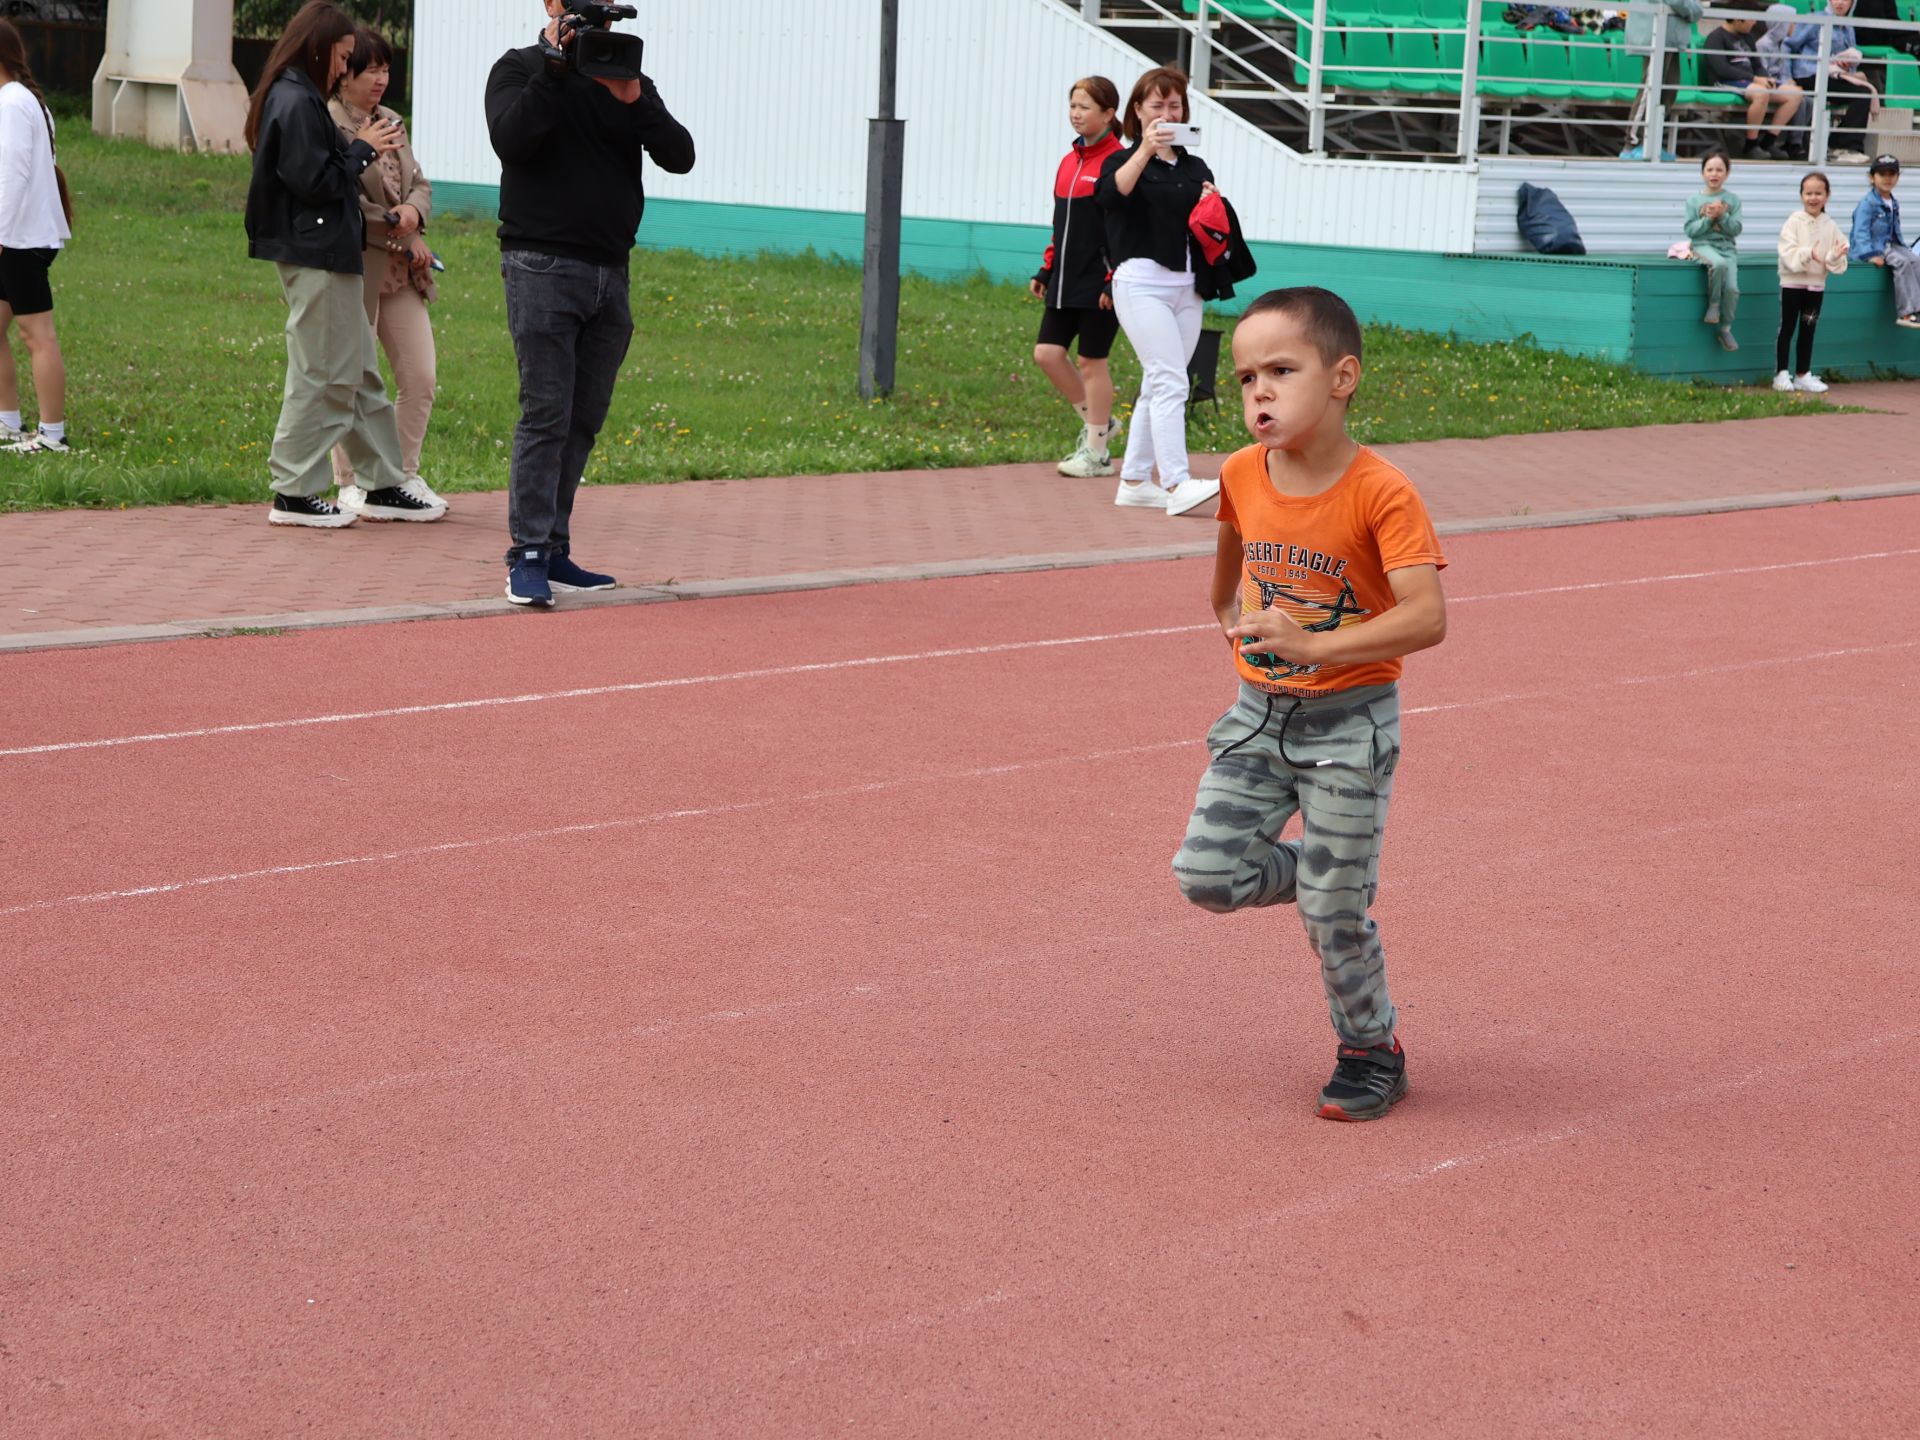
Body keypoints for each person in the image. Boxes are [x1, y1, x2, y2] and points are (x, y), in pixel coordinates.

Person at [1169, 286, 1447, 1123]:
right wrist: (1225, 615)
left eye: (1281, 371)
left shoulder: (1381, 491)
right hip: (1258, 715)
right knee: (1206, 878)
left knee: (1333, 912)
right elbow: (1232, 549)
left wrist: (1314, 646)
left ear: (1341, 377)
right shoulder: (1242, 472)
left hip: (1350, 724)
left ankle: (1372, 1050)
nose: (1259, 391)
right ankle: (1333, 877)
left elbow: (1426, 617)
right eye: (1248, 375)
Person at [485, 0, 695, 608]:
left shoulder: (624, 78)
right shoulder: (518, 67)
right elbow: (512, 140)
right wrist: (554, 67)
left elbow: (679, 155)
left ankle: (553, 547)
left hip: (612, 272)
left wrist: (636, 100)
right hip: (541, 265)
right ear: (551, 5)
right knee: (545, 412)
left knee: (583, 417)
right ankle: (525, 554)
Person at [245, 0, 417, 528]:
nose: (345, 67)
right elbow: (315, 183)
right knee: (322, 373)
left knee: (355, 371)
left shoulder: (297, 97)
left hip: (327, 251)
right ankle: (293, 491)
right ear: (320, 48)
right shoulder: (295, 101)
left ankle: (384, 481)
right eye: (344, 56)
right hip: (314, 252)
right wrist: (362, 149)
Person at [328, 26, 447, 519]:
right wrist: (403, 231)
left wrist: (416, 214)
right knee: (352, 377)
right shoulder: (330, 123)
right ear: (343, 74)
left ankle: (399, 474)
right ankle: (351, 481)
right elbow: (344, 200)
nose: (380, 80)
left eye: (385, 70)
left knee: (420, 375)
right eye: (370, 70)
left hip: (402, 269)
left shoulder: (393, 120)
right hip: (358, 265)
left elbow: (417, 182)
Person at [1095, 66, 1222, 519]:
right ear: (1137, 111)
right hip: (1140, 284)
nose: (1168, 113)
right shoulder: (1121, 160)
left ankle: (1134, 480)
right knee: (1171, 380)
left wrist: (1212, 199)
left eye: (1175, 105)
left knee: (1158, 382)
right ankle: (1176, 482)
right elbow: (1111, 196)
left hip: (1188, 286)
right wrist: (1146, 149)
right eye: (1157, 106)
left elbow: (1207, 221)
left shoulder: (1194, 165)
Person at [1030, 76, 1124, 480]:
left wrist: (1113, 278)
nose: (1076, 114)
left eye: (1085, 107)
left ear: (1109, 113)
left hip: (1102, 281)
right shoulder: (1069, 161)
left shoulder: (1119, 162)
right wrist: (1047, 268)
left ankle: (1097, 453)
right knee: (1047, 354)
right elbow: (1061, 225)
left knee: (1091, 361)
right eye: (1072, 105)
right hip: (1066, 279)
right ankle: (1099, 423)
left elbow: (1124, 230)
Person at [0, 19, 72, 455]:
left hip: (19, 239)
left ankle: (52, 435)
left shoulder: (11, 102)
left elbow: (12, 175)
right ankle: (8, 423)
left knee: (36, 335)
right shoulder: (20, 100)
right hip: (17, 235)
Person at [1774, 171, 1850, 391]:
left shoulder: (1830, 225)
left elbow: (1834, 257)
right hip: (1792, 285)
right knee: (1787, 327)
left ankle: (1802, 374)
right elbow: (1787, 252)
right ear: (1801, 195)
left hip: (1816, 287)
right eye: (1808, 193)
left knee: (1808, 327)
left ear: (1827, 196)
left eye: (1818, 193)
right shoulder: (1793, 221)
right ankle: (1781, 374)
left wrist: (1836, 255)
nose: (1813, 198)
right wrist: (1808, 253)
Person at [1785, 0, 1876, 165]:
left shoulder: (1847, 26)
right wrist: (1787, 77)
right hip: (1808, 73)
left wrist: (1848, 65)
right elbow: (1788, 46)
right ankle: (1842, 145)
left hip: (1833, 75)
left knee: (1864, 91)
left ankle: (1841, 144)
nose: (1840, 3)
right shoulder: (1814, 19)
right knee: (1861, 95)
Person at [1702, 13, 1803, 159]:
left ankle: (1768, 142)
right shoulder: (1715, 38)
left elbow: (1757, 65)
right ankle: (1751, 144)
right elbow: (1721, 69)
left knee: (1795, 94)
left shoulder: (1748, 37)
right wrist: (1755, 79)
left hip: (1751, 82)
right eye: (1751, 19)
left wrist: (1765, 78)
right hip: (1725, 81)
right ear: (1737, 18)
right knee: (1761, 93)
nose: (1754, 23)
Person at [1622, 0, 1701, 160]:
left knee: (1668, 92)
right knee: (1648, 91)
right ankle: (1631, 144)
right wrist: (1695, 10)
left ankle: (1652, 142)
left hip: (1671, 37)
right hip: (1656, 35)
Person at [1849, 153, 1920, 327]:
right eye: (1882, 174)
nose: (1887, 178)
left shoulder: (1893, 202)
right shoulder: (1868, 203)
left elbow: (1895, 229)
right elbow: (1860, 232)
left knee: (1915, 261)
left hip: (1891, 245)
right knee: (1901, 262)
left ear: (1897, 177)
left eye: (1892, 174)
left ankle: (1918, 307)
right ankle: (1906, 313)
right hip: (1876, 247)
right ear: (1871, 177)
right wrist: (1870, 255)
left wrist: (1904, 247)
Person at [1685, 150, 1743, 351]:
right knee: (1717, 264)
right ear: (1703, 173)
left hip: (1727, 248)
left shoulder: (1733, 200)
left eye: (1719, 170)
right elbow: (1690, 230)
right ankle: (1714, 305)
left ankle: (1726, 328)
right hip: (1702, 245)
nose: (1714, 174)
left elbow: (1736, 229)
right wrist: (1708, 219)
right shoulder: (1693, 201)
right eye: (1709, 169)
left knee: (1733, 289)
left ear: (1727, 174)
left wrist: (1723, 216)